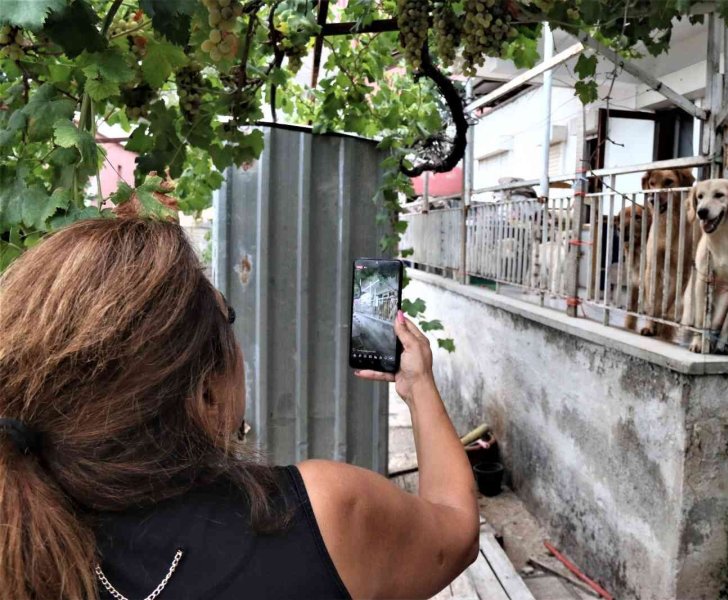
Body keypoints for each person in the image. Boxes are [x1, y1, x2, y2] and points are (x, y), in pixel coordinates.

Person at [0, 218, 479, 600]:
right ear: (204, 394)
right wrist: (419, 386)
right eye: (225, 315)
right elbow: (455, 530)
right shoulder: (327, 514)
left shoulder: (18, 542)